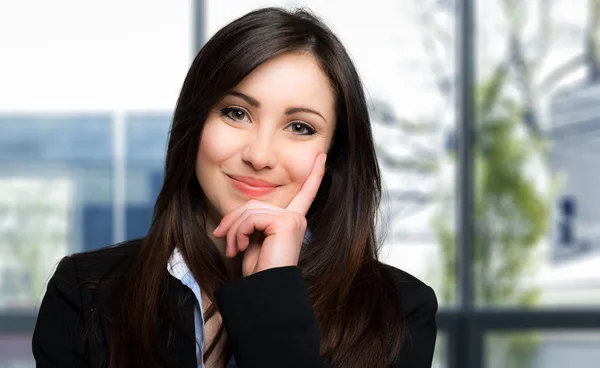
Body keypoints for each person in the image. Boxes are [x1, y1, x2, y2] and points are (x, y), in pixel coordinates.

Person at [32, 7, 437, 368]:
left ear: (335, 156)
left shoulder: (397, 310)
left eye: (300, 127)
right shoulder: (85, 293)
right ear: (196, 124)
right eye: (236, 113)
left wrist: (274, 293)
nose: (259, 155)